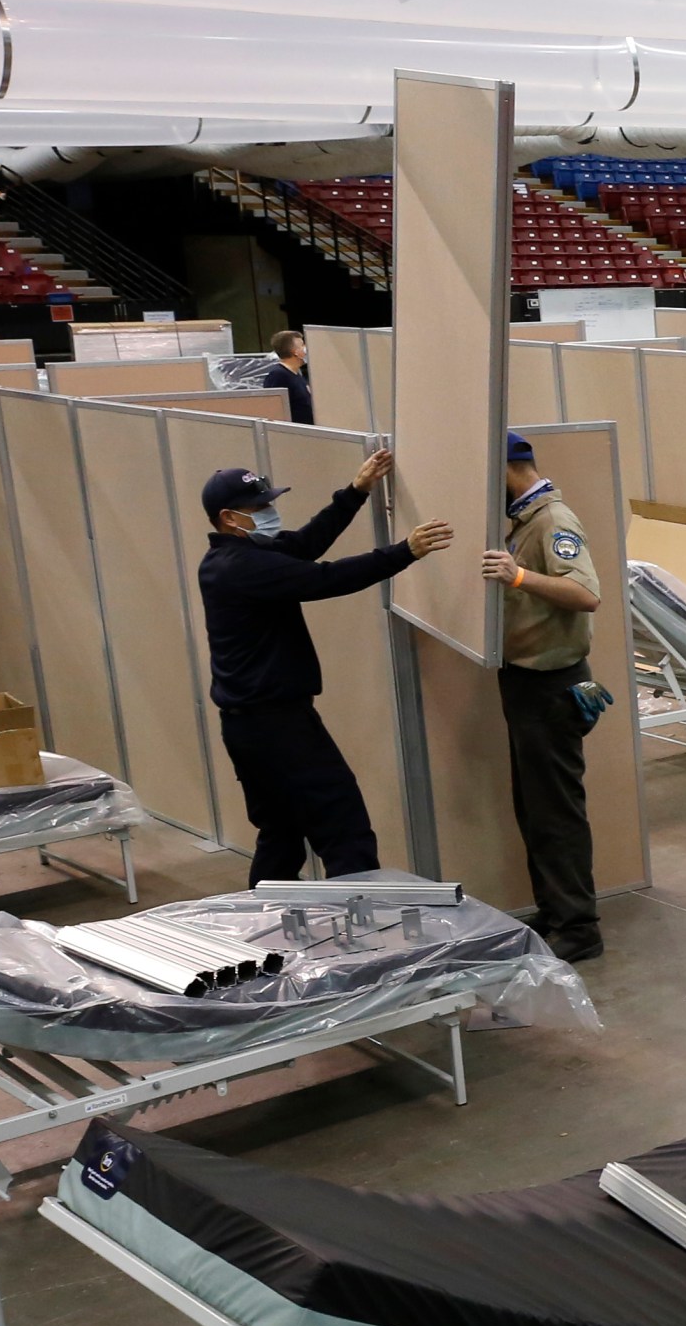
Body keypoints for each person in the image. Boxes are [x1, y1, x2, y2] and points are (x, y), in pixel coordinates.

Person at [198, 455, 452, 885]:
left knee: (281, 834)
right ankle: (363, 939)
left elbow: (304, 545)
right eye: (259, 509)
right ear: (229, 517)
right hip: (279, 726)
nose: (270, 514)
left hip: (251, 728)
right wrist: (403, 552)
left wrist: (355, 492)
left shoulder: (236, 557)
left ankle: (263, 926)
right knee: (344, 828)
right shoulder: (243, 568)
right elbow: (325, 579)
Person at [480, 432, 606, 963]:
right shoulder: (525, 521)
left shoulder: (553, 521)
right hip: (526, 685)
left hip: (551, 686)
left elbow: (587, 595)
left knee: (556, 813)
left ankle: (579, 928)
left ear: (507, 470)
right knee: (534, 810)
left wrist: (520, 576)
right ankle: (555, 911)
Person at [262, 330, 314, 426]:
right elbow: (274, 410)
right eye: (302, 345)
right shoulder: (278, 375)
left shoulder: (296, 374)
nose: (306, 348)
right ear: (295, 352)